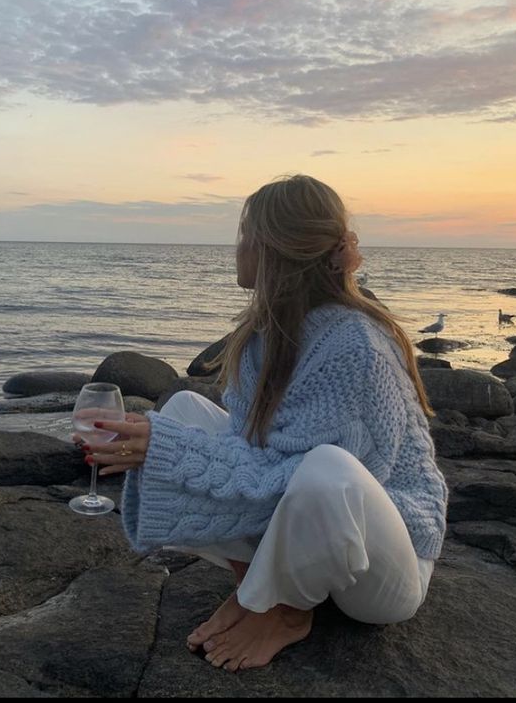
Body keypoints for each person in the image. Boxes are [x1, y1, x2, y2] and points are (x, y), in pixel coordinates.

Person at [76, 174, 448, 673]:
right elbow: (251, 452)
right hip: (311, 534)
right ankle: (255, 585)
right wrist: (164, 441)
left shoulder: (354, 345)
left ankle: (288, 612)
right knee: (183, 411)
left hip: (380, 562)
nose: (237, 246)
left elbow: (312, 486)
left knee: (325, 468)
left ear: (274, 249)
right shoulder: (262, 336)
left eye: (245, 233)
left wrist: (166, 450)